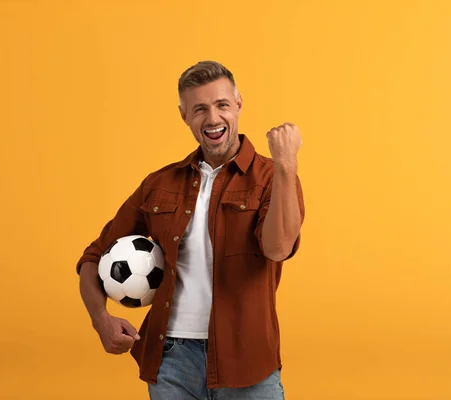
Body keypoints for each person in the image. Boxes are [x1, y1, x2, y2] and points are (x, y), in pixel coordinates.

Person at [76, 60, 305, 400]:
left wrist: (286, 164)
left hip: (249, 361)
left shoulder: (272, 177)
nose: (213, 119)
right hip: (172, 361)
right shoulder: (160, 184)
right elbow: (93, 257)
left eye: (222, 105)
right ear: (184, 115)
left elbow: (278, 248)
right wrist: (100, 319)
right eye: (200, 109)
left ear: (238, 104)